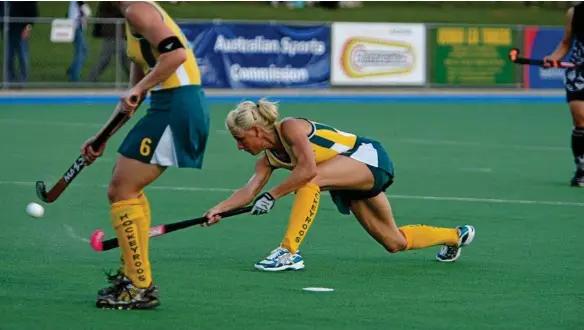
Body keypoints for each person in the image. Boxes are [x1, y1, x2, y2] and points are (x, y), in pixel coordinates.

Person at [203, 99, 475, 272]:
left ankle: (288, 252)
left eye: (240, 138)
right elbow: (248, 192)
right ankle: (455, 235)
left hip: (367, 159)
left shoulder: (290, 128)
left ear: (256, 131)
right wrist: (218, 209)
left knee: (311, 179)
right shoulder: (267, 161)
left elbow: (307, 170)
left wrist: (272, 195)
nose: (239, 146)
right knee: (393, 242)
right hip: (346, 181)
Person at [81, 1, 209, 309]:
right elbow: (132, 97)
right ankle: (134, 278)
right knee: (124, 187)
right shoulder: (131, 19)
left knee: (122, 189)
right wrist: (102, 137)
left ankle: (139, 286)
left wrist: (141, 86)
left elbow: (176, 54)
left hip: (178, 103)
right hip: (166, 105)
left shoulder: (137, 9)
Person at [544, 3, 584, 187]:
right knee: (580, 119)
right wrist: (554, 57)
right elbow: (566, 43)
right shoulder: (575, 12)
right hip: (579, 73)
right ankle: (582, 169)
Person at [88, 1, 130, 82]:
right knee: (107, 58)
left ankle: (133, 79)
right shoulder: (108, 3)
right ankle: (92, 77)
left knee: (124, 57)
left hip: (118, 33)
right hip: (112, 33)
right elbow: (117, 9)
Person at [4, 1, 38, 84]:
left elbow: (33, 12)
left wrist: (27, 28)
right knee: (8, 56)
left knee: (22, 55)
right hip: (9, 29)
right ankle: (9, 80)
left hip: (21, 29)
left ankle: (22, 80)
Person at [66, 1, 91, 82]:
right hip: (76, 27)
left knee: (84, 49)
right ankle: (74, 75)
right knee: (80, 51)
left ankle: (72, 69)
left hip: (76, 27)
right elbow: (87, 12)